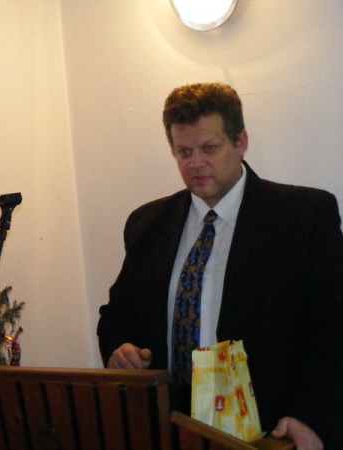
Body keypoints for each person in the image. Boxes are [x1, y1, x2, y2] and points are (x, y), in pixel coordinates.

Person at [97, 82, 343, 449]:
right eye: (184, 151)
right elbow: (117, 317)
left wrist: (313, 419)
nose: (195, 163)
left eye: (209, 148)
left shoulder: (303, 216)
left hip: (270, 431)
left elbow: (332, 329)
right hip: (167, 426)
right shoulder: (147, 223)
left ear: (240, 142)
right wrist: (121, 350)